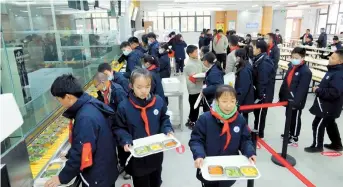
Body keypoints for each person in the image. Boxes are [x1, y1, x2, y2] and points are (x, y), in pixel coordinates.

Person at [45, 74, 118, 187]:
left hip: (97, 177)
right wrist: (70, 153)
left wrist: (62, 177)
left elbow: (82, 152)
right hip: (105, 168)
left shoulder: (85, 118)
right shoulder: (89, 104)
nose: (60, 104)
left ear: (69, 97)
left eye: (59, 100)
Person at [114, 68, 174, 187]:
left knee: (156, 181)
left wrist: (167, 129)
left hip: (156, 152)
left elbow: (164, 118)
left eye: (147, 86)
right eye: (139, 87)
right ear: (131, 86)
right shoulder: (124, 107)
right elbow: (119, 127)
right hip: (138, 157)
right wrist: (125, 140)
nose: (144, 91)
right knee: (141, 183)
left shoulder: (158, 102)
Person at [189, 85, 256, 187]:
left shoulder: (239, 119)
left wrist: (250, 152)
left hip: (229, 168)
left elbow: (245, 140)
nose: (229, 105)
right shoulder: (205, 119)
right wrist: (199, 155)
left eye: (232, 101)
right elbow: (196, 140)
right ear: (216, 101)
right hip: (208, 167)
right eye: (224, 101)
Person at [93, 72, 130, 180]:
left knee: (124, 146)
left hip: (121, 123)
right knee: (118, 146)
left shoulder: (117, 91)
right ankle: (122, 164)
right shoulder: (103, 91)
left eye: (96, 85)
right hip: (112, 123)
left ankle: (128, 169)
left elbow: (124, 110)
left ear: (103, 82)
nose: (96, 88)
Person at [305, 50, 343, 153]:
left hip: (329, 107)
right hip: (326, 105)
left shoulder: (338, 74)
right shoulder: (333, 71)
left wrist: (318, 90)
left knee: (317, 125)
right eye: (331, 56)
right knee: (331, 124)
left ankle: (318, 146)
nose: (330, 58)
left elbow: (335, 92)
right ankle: (337, 144)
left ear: (340, 61)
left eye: (333, 58)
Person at [278, 47, 312, 145]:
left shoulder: (305, 72)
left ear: (302, 58)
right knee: (288, 116)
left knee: (295, 118)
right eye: (292, 57)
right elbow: (286, 82)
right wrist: (282, 96)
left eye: (296, 57)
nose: (294, 59)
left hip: (296, 101)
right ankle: (288, 132)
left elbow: (302, 89)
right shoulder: (292, 67)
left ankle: (294, 136)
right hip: (288, 98)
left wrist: (295, 103)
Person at [252, 40, 275, 138]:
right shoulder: (258, 58)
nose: (252, 49)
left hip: (264, 93)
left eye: (254, 47)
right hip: (259, 91)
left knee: (261, 113)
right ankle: (256, 129)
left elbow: (263, 80)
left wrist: (261, 94)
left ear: (259, 49)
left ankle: (260, 133)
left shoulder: (265, 62)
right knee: (257, 112)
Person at [184, 45, 204, 129]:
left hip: (199, 87)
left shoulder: (197, 60)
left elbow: (203, 68)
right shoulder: (189, 64)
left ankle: (190, 120)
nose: (197, 53)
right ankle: (193, 122)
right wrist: (205, 76)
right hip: (194, 89)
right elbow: (195, 78)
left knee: (195, 106)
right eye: (195, 52)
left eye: (197, 51)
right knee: (194, 107)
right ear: (190, 54)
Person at [235, 47, 254, 123]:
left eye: (236, 56)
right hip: (245, 98)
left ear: (240, 57)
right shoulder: (245, 66)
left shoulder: (244, 70)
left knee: (242, 119)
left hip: (244, 99)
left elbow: (243, 88)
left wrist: (238, 101)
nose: (235, 58)